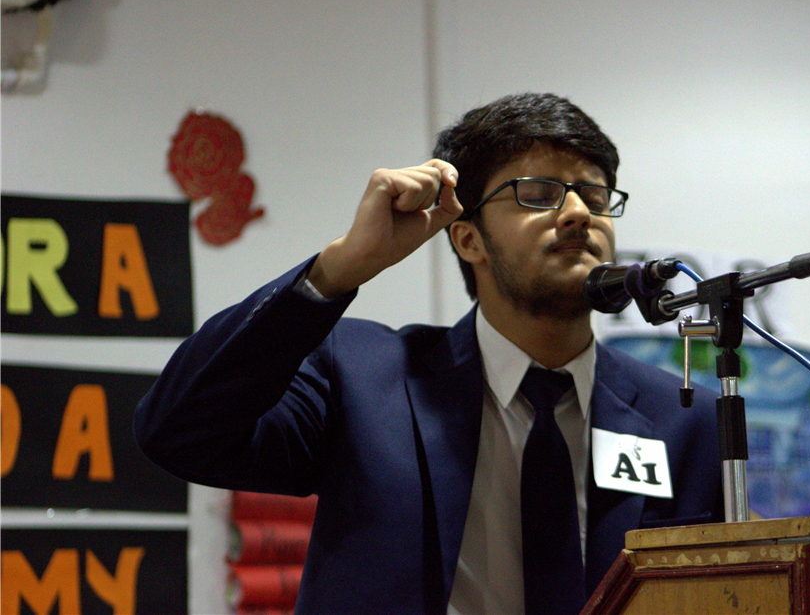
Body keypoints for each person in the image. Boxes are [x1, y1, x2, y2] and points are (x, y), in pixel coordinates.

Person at [135, 92, 724, 615]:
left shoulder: (684, 419)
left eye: (593, 195)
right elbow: (179, 430)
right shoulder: (364, 377)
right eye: (539, 193)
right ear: (468, 239)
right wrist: (337, 269)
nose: (577, 213)